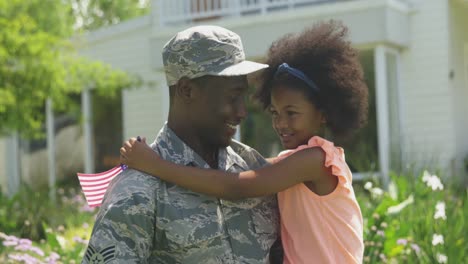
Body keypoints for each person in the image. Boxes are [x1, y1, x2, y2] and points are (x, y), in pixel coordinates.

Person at [120, 21, 368, 263]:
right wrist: (154, 154)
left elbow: (237, 185)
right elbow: (242, 169)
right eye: (274, 112)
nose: (281, 123)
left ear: (323, 114)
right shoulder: (293, 162)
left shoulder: (316, 160)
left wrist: (155, 165)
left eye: (291, 113)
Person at [83, 25, 282, 263]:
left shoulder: (253, 168)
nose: (242, 112)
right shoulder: (137, 191)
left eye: (243, 97)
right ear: (187, 90)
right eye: (232, 97)